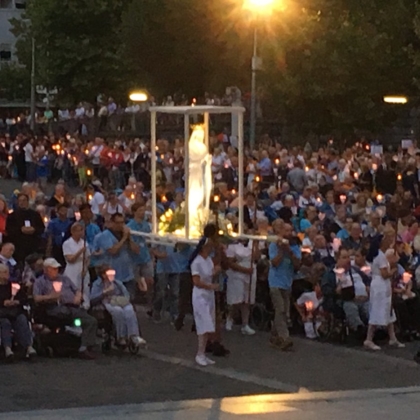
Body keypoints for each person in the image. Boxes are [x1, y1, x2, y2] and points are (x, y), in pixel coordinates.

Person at [33, 258, 98, 359]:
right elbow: (36, 298)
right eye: (53, 269)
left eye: (57, 268)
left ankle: (84, 347)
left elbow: (77, 290)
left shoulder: (64, 279)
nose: (56, 271)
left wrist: (77, 296)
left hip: (72, 306)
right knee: (64, 313)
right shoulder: (40, 282)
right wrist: (50, 297)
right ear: (46, 269)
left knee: (91, 321)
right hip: (54, 308)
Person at [364, 229, 405, 350]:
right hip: (380, 285)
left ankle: (392, 337)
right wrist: (392, 271)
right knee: (377, 309)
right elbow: (384, 274)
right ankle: (369, 338)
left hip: (382, 285)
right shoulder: (380, 257)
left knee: (388, 310)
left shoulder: (380, 255)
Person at [90, 265, 146, 347]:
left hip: (120, 301)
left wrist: (125, 299)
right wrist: (104, 293)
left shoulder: (117, 282)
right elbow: (92, 298)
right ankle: (121, 336)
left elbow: (126, 293)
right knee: (118, 311)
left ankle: (134, 335)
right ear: (103, 275)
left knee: (129, 310)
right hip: (107, 302)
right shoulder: (97, 284)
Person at [267, 223, 301, 350]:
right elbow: (274, 263)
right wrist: (282, 250)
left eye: (290, 230)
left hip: (287, 282)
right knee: (280, 309)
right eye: (286, 230)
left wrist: (289, 251)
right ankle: (285, 337)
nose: (289, 233)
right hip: (275, 282)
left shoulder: (295, 246)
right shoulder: (274, 245)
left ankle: (274, 336)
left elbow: (297, 264)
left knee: (284, 313)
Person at [92, 213, 139, 299]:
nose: (120, 225)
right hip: (113, 275)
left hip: (128, 273)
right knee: (115, 299)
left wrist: (129, 238)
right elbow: (113, 251)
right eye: (118, 223)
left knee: (129, 299)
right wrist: (124, 238)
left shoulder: (126, 234)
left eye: (122, 222)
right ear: (112, 223)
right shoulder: (104, 236)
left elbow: (136, 250)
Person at [190, 236, 220, 366]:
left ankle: (203, 352)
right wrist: (210, 286)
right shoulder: (196, 262)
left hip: (209, 295)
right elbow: (196, 281)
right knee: (203, 324)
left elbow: (209, 274)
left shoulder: (208, 260)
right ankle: (199, 353)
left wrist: (215, 272)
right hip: (200, 295)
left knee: (209, 324)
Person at [0, 264, 36, 361]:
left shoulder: (14, 285)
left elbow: (24, 298)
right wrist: (3, 302)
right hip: (2, 313)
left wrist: (17, 302)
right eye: (4, 272)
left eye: (7, 272)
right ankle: (7, 348)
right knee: (5, 323)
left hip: (15, 311)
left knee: (22, 319)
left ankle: (28, 347)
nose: (7, 274)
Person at [225, 239, 260, 335]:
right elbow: (230, 263)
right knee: (236, 299)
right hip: (237, 274)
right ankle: (230, 317)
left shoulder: (252, 244)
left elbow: (256, 258)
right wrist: (244, 270)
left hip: (250, 273)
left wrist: (256, 245)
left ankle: (245, 324)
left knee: (247, 300)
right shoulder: (233, 245)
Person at [6, 193, 45, 265]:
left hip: (33, 246)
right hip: (19, 247)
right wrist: (20, 230)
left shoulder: (35, 214)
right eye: (20, 200)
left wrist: (34, 229)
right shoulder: (12, 216)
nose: (22, 202)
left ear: (27, 201)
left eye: (24, 200)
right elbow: (9, 230)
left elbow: (41, 228)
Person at [62, 223, 91, 308]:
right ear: (72, 231)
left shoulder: (84, 242)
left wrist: (85, 268)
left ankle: (85, 306)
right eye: (78, 230)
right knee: (73, 288)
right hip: (72, 269)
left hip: (83, 269)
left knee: (85, 288)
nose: (80, 233)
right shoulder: (67, 243)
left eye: (81, 230)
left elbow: (88, 258)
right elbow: (70, 259)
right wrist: (81, 251)